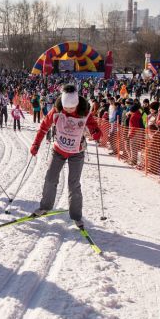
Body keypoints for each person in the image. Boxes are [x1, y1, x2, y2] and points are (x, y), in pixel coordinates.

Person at [29, 84, 102, 228]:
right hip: (58, 150)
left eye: (71, 108)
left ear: (76, 104)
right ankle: (45, 207)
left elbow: (95, 128)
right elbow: (43, 127)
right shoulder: (56, 111)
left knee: (73, 184)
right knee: (50, 178)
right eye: (66, 107)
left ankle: (76, 216)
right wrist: (36, 144)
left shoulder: (84, 112)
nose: (68, 110)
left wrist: (96, 133)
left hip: (77, 152)